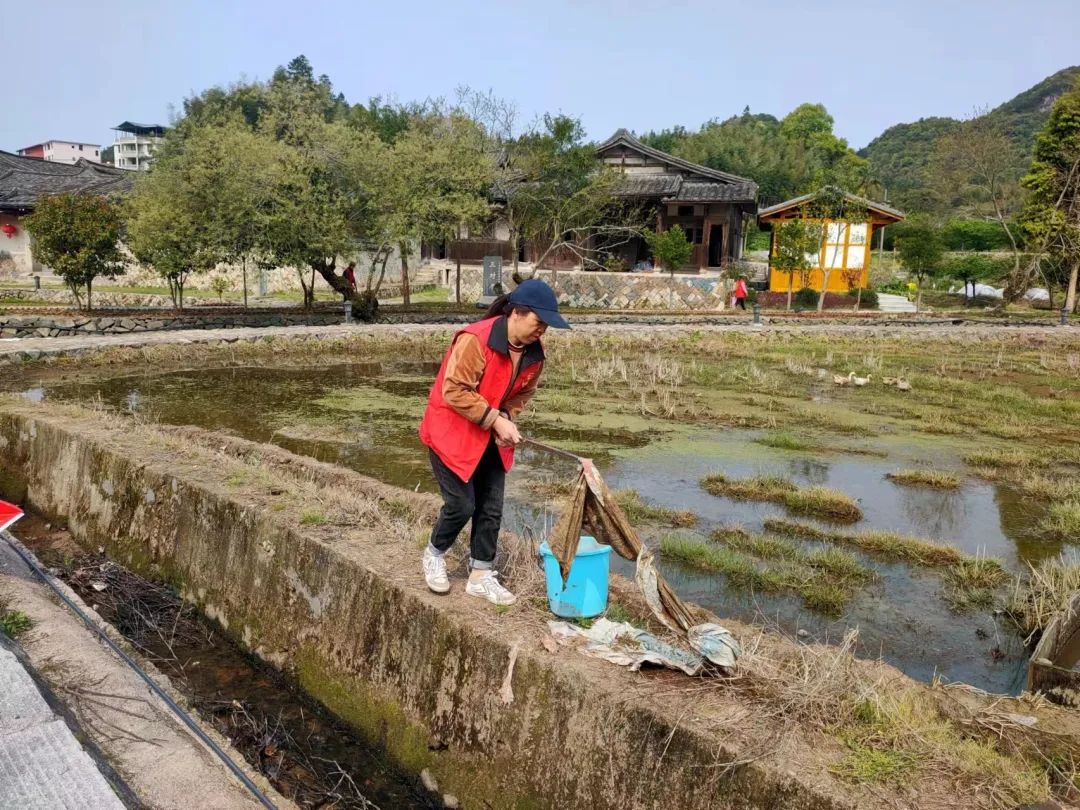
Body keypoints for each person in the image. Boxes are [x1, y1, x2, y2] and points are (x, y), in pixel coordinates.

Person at [418, 279, 570, 605]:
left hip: (490, 434)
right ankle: (434, 554)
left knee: (491, 508)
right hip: (451, 432)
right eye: (538, 322)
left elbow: (523, 393)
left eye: (546, 326)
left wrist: (506, 418)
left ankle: (481, 575)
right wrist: (496, 419)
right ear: (516, 312)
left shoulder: (533, 354)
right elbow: (454, 390)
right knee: (461, 505)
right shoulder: (477, 339)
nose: (542, 330)